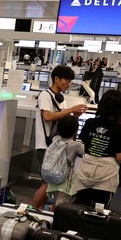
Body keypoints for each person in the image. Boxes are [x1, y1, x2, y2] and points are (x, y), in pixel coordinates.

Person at [31, 65, 88, 210]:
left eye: (70, 82)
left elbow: (62, 120)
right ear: (56, 79)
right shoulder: (45, 95)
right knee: (46, 183)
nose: (68, 85)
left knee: (52, 184)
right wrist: (70, 110)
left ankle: (39, 211)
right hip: (46, 146)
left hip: (57, 146)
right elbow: (48, 116)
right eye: (66, 81)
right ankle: (30, 210)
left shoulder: (61, 99)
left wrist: (74, 115)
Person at [73, 89, 121, 207]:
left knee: (80, 204)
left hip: (86, 169)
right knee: (100, 208)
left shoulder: (90, 123)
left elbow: (85, 142)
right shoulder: (120, 130)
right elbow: (120, 157)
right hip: (106, 174)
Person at [45, 115, 85, 208]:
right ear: (75, 131)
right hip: (65, 180)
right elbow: (85, 153)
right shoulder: (76, 145)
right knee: (62, 205)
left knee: (56, 201)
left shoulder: (56, 140)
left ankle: (53, 211)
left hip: (53, 178)